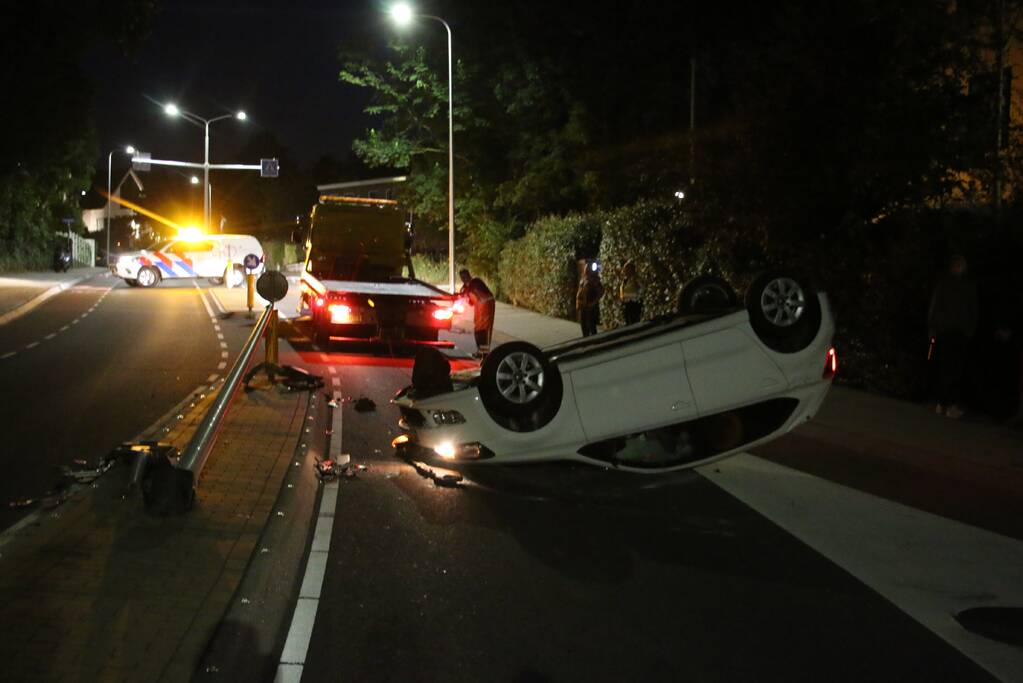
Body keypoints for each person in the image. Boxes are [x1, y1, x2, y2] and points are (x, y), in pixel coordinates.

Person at [928, 254, 978, 419]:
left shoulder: (963, 286)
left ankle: (945, 403)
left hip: (955, 332)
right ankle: (946, 403)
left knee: (951, 368)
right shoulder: (948, 286)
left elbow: (972, 310)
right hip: (949, 331)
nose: (959, 268)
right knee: (948, 368)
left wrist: (968, 329)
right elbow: (935, 307)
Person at [458, 268, 495, 357]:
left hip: (486, 305)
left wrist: (465, 293)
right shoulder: (466, 287)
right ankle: (480, 351)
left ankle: (484, 353)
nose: (464, 279)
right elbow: (470, 302)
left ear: (469, 275)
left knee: (484, 329)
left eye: (465, 276)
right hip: (479, 307)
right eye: (462, 277)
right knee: (478, 328)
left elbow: (474, 292)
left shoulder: (475, 282)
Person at [576, 264, 603, 337]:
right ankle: (585, 339)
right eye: (585, 269)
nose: (586, 270)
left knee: (591, 324)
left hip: (591, 306)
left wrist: (594, 302)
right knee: (583, 324)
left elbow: (600, 292)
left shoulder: (594, 280)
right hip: (583, 306)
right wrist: (578, 302)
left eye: (587, 269)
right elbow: (579, 291)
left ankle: (594, 341)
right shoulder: (583, 279)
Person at [619, 260, 642, 325]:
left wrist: (638, 297)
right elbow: (622, 290)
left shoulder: (636, 279)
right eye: (625, 270)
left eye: (627, 270)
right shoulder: (624, 281)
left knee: (635, 320)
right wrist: (622, 299)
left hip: (634, 302)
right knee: (628, 320)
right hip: (626, 303)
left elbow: (641, 288)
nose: (625, 272)